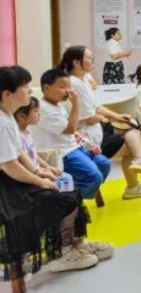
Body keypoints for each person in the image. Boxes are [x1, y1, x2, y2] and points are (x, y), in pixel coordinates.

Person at [0, 66, 112, 278]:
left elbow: (20, 152)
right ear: (7, 94)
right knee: (63, 199)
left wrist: (40, 171)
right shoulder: (3, 123)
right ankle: (62, 252)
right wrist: (39, 181)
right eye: (25, 86)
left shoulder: (8, 118)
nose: (30, 90)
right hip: (9, 190)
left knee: (70, 192)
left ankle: (75, 243)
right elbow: (9, 165)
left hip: (16, 180)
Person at [60, 46, 141, 199]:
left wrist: (118, 116)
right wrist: (106, 119)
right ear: (76, 62)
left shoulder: (83, 80)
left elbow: (97, 106)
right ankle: (134, 182)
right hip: (86, 137)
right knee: (131, 144)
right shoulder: (75, 84)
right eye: (89, 58)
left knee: (131, 123)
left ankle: (140, 162)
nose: (92, 61)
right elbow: (90, 117)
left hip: (96, 128)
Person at [31, 68, 112, 200]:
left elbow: (73, 133)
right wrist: (75, 104)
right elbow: (69, 129)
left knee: (105, 164)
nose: (68, 91)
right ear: (46, 88)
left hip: (74, 148)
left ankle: (73, 195)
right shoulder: (43, 108)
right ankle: (71, 201)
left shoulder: (58, 106)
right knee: (94, 177)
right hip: (62, 154)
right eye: (62, 87)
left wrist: (88, 145)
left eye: (69, 87)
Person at [14, 96, 65, 181]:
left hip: (37, 170)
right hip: (30, 175)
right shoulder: (18, 137)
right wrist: (43, 171)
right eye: (35, 111)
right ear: (21, 116)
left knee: (64, 176)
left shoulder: (27, 132)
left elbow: (34, 155)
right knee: (64, 179)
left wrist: (48, 167)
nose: (39, 114)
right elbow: (23, 164)